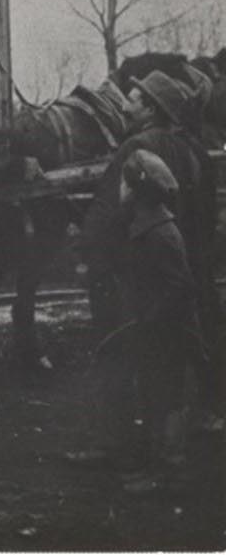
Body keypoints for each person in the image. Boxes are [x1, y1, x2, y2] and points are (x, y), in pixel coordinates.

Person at [92, 150, 204, 494]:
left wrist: (150, 320)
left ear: (137, 189)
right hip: (158, 329)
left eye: (124, 182)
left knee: (166, 398)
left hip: (170, 333)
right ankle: (157, 467)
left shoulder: (160, 234)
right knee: (154, 394)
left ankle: (170, 474)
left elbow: (179, 288)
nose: (120, 189)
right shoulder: (147, 224)